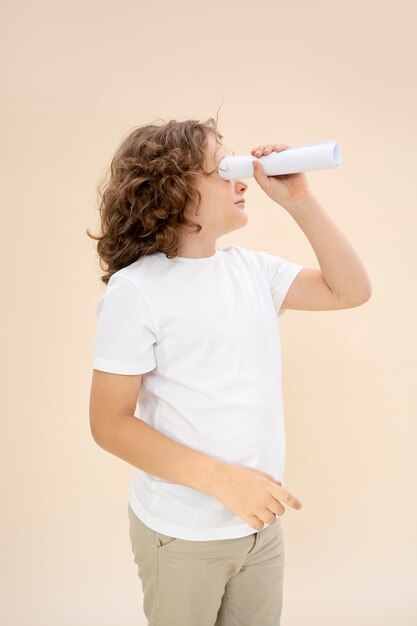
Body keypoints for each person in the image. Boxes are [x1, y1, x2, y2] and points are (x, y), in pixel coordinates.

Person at [87, 116, 372, 626]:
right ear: (172, 191)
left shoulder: (252, 271)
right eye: (222, 168)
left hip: (258, 527)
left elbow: (350, 290)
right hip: (182, 532)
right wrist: (224, 482)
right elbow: (110, 423)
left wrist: (299, 201)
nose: (242, 180)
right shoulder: (137, 291)